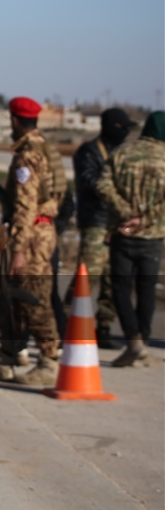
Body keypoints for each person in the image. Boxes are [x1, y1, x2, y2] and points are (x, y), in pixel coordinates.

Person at [0, 97, 64, 385]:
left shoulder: (27, 155)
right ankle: (6, 355)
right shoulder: (46, 149)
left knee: (32, 298)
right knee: (12, 299)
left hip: (32, 237)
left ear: (14, 121)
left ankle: (49, 360)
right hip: (40, 231)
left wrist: (19, 250)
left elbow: (25, 206)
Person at [96, 111, 165, 368]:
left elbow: (103, 185)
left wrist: (127, 214)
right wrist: (145, 219)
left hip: (123, 233)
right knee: (146, 291)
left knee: (121, 289)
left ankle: (133, 339)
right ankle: (143, 343)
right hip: (153, 237)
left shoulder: (122, 153)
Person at [67, 107, 137, 349]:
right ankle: (67, 320)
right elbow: (90, 182)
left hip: (119, 224)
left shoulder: (123, 152)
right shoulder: (89, 152)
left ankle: (104, 328)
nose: (125, 133)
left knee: (113, 278)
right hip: (96, 221)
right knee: (88, 274)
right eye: (122, 128)